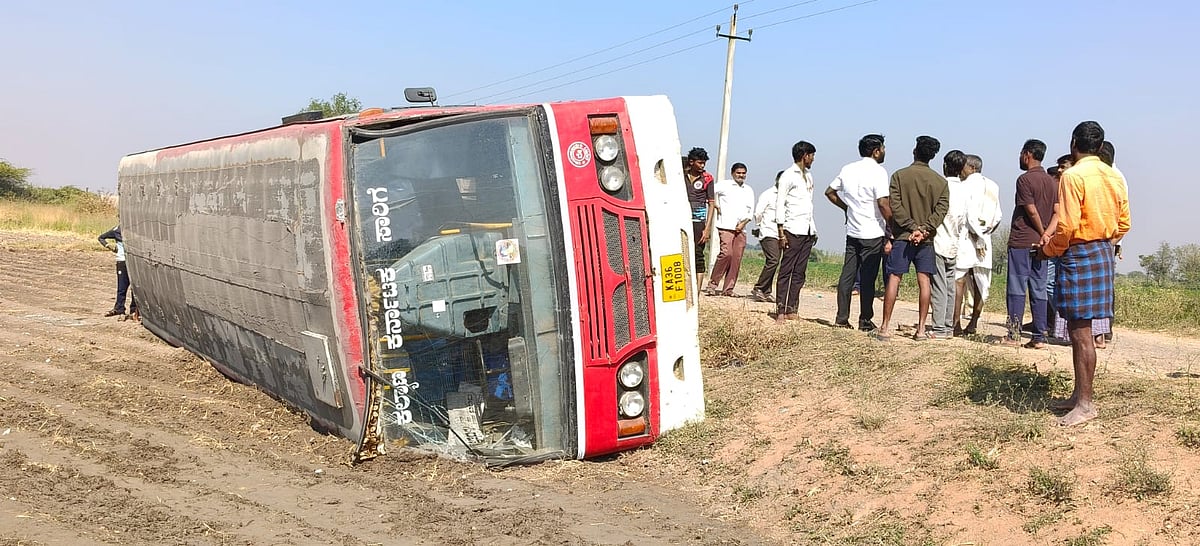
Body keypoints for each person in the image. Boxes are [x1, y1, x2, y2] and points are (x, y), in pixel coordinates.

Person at [1040, 120, 1130, 427]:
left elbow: (1065, 226)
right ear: (1101, 146)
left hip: (1078, 252)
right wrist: (1104, 239)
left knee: (1080, 334)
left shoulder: (1073, 175)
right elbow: (1124, 223)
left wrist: (1049, 250)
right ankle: (1079, 395)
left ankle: (1086, 404)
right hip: (1103, 250)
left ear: (1073, 144)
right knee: (1083, 331)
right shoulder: (1114, 175)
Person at [876, 136, 949, 340]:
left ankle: (884, 327)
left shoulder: (899, 176)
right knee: (924, 281)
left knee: (894, 279)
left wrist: (912, 228)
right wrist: (924, 229)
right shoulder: (940, 182)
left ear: (915, 151)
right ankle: (922, 330)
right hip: (925, 240)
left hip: (902, 237)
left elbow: (895, 208)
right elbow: (941, 211)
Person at [825, 134, 889, 331]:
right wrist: (892, 224)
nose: (885, 152)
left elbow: (829, 192)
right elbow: (883, 202)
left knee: (847, 275)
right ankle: (865, 320)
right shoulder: (879, 172)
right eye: (883, 148)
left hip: (853, 230)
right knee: (868, 279)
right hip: (873, 231)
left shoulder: (848, 169)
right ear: (876, 151)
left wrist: (847, 208)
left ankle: (841, 318)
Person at [1005, 139, 1057, 348]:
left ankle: (1014, 334)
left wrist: (1041, 231)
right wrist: (1047, 235)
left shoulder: (1024, 180)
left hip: (1022, 240)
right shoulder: (1052, 182)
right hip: (1041, 245)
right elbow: (1057, 213)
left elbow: (1031, 209)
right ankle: (1039, 336)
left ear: (1027, 155)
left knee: (1017, 287)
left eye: (1021, 154)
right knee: (1039, 288)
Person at [952, 154, 1003, 335]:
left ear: (971, 168)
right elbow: (998, 216)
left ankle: (956, 324)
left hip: (967, 236)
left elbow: (966, 214)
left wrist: (975, 233)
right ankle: (973, 323)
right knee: (981, 281)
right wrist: (985, 234)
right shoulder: (993, 185)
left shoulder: (964, 185)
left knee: (959, 279)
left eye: (963, 167)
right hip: (985, 239)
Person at [774, 141, 818, 323]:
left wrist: (813, 229)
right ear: (804, 155)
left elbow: (809, 205)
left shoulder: (808, 176)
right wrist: (781, 231)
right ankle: (780, 310)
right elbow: (780, 204)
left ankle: (792, 308)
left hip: (807, 229)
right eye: (812, 156)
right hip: (791, 229)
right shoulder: (787, 176)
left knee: (800, 272)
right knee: (786, 270)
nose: (813, 159)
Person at [929, 150, 968, 339]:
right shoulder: (964, 190)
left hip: (938, 241)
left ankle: (938, 328)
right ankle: (948, 327)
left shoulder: (941, 186)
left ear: (945, 165)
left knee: (939, 286)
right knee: (950, 286)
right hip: (954, 242)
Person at [706, 163, 756, 296]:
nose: (741, 175)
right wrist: (715, 205)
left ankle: (728, 289)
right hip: (726, 225)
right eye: (738, 173)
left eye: (743, 173)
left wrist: (744, 223)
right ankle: (712, 284)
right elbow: (708, 192)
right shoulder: (724, 185)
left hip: (741, 227)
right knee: (726, 254)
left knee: (736, 259)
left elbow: (751, 210)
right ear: (732, 173)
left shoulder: (748, 189)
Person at [683, 147, 715, 290]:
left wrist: (707, 228)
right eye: (700, 163)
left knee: (698, 256)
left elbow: (712, 203)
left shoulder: (708, 179)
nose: (702, 166)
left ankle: (696, 294)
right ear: (691, 162)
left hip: (698, 223)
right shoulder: (680, 176)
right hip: (682, 221)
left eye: (704, 163)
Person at [750, 172, 783, 302]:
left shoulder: (787, 197)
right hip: (768, 231)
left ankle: (766, 290)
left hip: (780, 234)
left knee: (775, 262)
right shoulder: (768, 194)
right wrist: (761, 226)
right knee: (773, 260)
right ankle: (759, 287)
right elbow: (758, 213)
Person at [98, 225, 138, 320]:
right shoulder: (118, 230)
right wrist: (109, 246)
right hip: (123, 261)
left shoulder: (133, 228)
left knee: (133, 287)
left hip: (132, 261)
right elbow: (101, 237)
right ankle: (120, 309)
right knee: (123, 287)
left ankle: (133, 310)